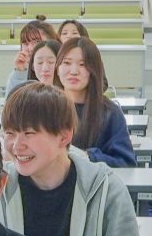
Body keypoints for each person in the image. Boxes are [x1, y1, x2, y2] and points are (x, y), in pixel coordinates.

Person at [0, 82, 145, 236]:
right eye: (10, 133)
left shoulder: (106, 190)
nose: (17, 145)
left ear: (64, 136)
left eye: (29, 133)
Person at [56, 37, 135, 167]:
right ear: (57, 68)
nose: (74, 71)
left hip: (95, 179)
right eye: (67, 63)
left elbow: (126, 162)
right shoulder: (45, 108)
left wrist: (88, 156)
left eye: (82, 65)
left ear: (94, 70)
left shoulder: (110, 112)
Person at [5, 21, 56, 94]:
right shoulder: (17, 74)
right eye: (25, 43)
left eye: (37, 42)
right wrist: (20, 72)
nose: (30, 48)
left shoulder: (62, 69)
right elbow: (12, 100)